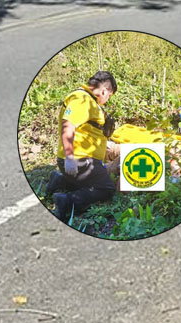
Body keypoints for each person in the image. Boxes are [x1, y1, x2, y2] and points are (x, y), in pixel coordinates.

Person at [46, 71, 119, 220]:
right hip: (79, 159)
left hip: (84, 157)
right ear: (104, 90)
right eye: (109, 96)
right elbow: (68, 126)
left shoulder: (88, 100)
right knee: (106, 188)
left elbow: (86, 129)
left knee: (89, 183)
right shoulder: (83, 101)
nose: (107, 99)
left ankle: (59, 180)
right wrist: (70, 158)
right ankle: (66, 201)